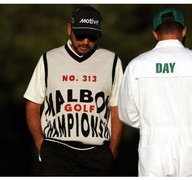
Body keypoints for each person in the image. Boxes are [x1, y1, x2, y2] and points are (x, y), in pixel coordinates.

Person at [118, 8, 192, 176]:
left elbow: (127, 113)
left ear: (155, 34)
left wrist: (150, 126)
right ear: (183, 31)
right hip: (191, 149)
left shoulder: (136, 65)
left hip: (152, 149)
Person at [24, 6, 124, 176]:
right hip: (56, 150)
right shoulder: (49, 59)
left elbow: (117, 107)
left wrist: (112, 150)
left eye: (92, 37)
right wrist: (41, 144)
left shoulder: (112, 61)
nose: (86, 41)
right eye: (81, 35)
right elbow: (33, 103)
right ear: (69, 29)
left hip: (97, 153)